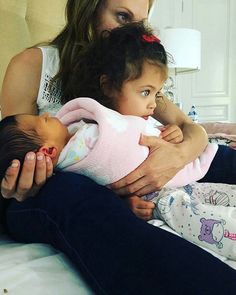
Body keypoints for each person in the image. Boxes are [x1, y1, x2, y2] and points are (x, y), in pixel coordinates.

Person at [1, 1, 236, 294]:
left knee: (219, 157)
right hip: (50, 191)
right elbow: (15, 145)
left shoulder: (133, 72)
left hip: (144, 165)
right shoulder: (32, 64)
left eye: (140, 21)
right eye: (122, 16)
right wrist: (19, 181)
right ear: (88, 10)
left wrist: (178, 155)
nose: (133, 32)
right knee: (70, 190)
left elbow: (194, 131)